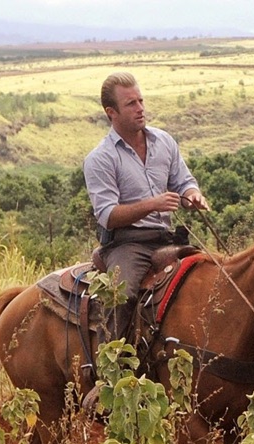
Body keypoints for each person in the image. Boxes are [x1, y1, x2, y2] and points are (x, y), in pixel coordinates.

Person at [84, 71, 208, 346]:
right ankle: (110, 369)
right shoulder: (100, 158)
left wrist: (192, 196)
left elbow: (184, 182)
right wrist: (153, 204)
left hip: (167, 238)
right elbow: (107, 215)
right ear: (111, 112)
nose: (140, 109)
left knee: (211, 275)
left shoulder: (164, 142)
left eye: (140, 100)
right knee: (122, 295)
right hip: (128, 245)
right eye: (130, 104)